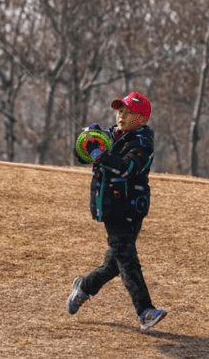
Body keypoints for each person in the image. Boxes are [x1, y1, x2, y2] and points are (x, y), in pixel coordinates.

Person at [68, 91, 167, 332]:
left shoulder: (143, 142)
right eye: (119, 110)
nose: (121, 115)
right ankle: (145, 311)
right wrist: (87, 141)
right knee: (127, 259)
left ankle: (84, 286)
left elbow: (126, 168)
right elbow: (80, 157)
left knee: (116, 262)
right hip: (113, 209)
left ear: (142, 120)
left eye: (128, 112)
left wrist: (101, 154)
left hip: (131, 208)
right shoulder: (109, 136)